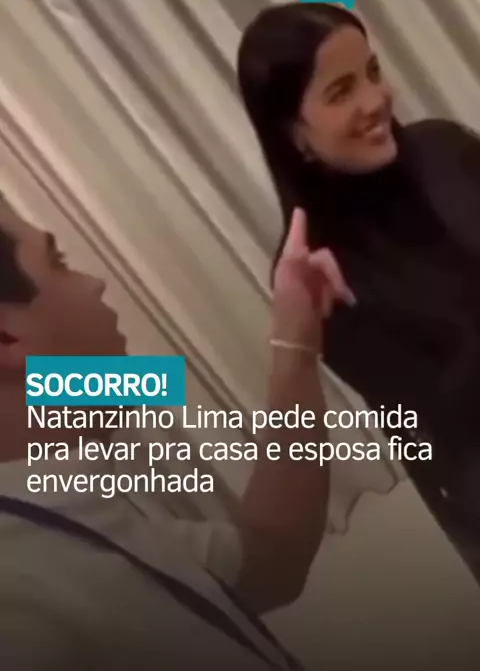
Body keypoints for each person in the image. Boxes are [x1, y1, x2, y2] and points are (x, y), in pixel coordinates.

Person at [0, 194, 352, 669]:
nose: (96, 283)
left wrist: (296, 342)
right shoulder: (20, 610)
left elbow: (270, 562)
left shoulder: (65, 501)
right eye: (59, 263)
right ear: (8, 338)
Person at [236, 0, 480, 586]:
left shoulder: (445, 148)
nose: (375, 100)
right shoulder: (315, 272)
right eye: (341, 91)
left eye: (372, 71)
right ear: (294, 134)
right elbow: (441, 419)